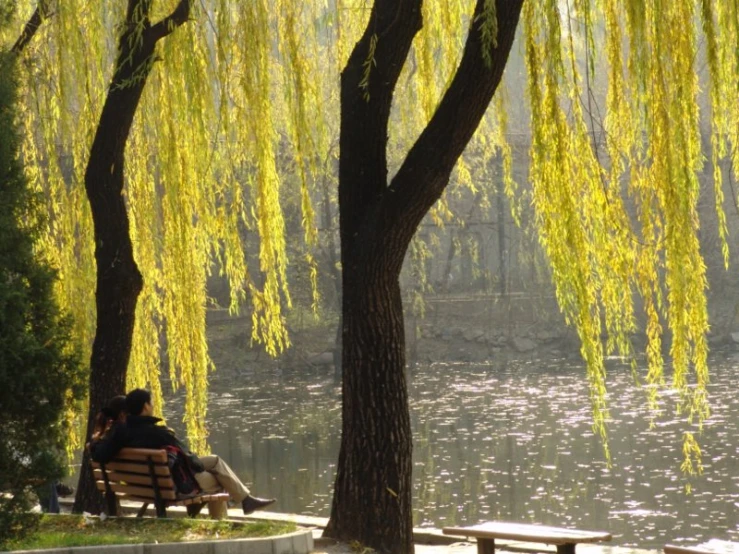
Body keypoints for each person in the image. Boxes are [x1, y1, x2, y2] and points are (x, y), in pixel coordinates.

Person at [92, 388, 275, 515]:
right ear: (146, 407)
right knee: (219, 479)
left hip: (145, 484)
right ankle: (234, 510)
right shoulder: (160, 433)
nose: (153, 405)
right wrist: (198, 464)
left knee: (215, 461)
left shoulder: (120, 432)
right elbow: (191, 462)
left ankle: (244, 500)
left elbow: (99, 454)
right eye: (151, 402)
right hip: (176, 486)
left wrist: (93, 443)